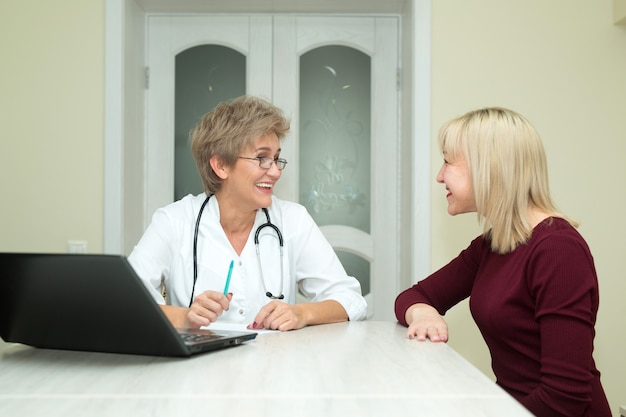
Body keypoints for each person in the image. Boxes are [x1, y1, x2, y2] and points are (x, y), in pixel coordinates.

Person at [395, 107, 611, 417]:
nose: (439, 176)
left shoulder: (557, 250)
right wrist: (424, 314)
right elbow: (413, 296)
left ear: (488, 167)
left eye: (447, 161)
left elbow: (564, 399)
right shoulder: (493, 244)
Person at [129, 95, 367, 332]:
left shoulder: (293, 220)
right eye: (262, 158)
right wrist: (186, 317)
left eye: (276, 159)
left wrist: (301, 313)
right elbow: (127, 304)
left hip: (274, 366)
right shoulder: (174, 221)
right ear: (221, 165)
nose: (274, 171)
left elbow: (351, 300)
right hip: (198, 367)